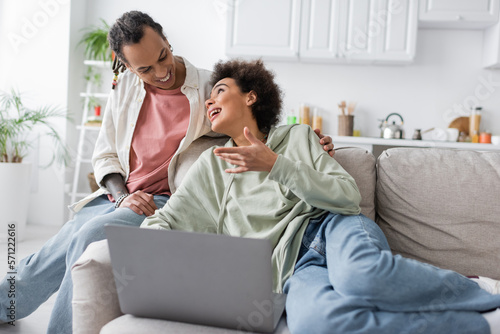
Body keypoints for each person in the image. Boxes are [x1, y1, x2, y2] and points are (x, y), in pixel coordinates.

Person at [0, 11, 334, 333]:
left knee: (88, 236)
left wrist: (310, 141)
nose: (162, 72)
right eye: (145, 68)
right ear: (125, 65)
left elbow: (258, 119)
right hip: (121, 196)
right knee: (48, 255)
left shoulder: (207, 86)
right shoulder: (125, 89)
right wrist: (122, 197)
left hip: (164, 202)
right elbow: (104, 155)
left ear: (167, 40)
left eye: (163, 56)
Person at [141, 58, 500, 334]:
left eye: (220, 90)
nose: (210, 101)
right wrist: (148, 247)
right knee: (318, 325)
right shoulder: (210, 165)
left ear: (250, 96)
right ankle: (478, 325)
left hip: (332, 228)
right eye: (208, 97)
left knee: (362, 278)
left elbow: (346, 196)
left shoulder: (297, 137)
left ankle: (483, 290)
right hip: (296, 268)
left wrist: (275, 165)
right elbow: (167, 219)